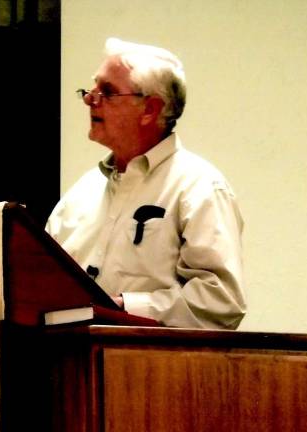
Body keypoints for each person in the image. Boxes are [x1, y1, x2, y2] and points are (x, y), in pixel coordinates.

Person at [46, 37, 246, 329]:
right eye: (93, 88)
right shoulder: (80, 193)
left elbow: (221, 301)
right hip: (67, 365)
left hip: (150, 369)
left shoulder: (199, 187)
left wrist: (125, 308)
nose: (90, 99)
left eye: (108, 92)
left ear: (150, 109)